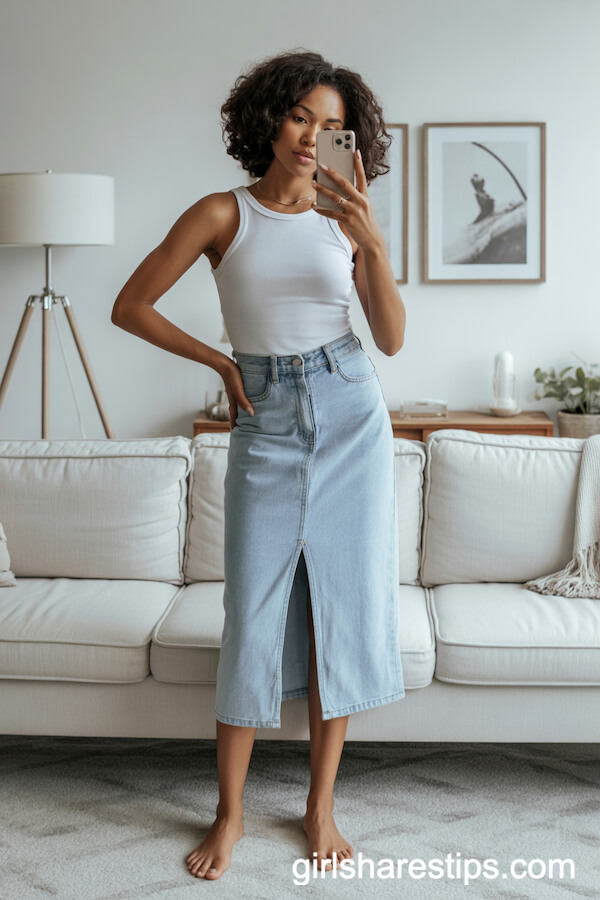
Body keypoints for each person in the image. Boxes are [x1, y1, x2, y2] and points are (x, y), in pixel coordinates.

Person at [111, 48, 407, 881]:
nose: (315, 137)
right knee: (252, 615)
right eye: (302, 116)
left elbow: (390, 337)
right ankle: (230, 812)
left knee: (340, 614)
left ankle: (320, 807)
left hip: (350, 407)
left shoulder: (346, 213)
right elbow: (129, 305)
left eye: (334, 126)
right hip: (266, 417)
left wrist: (372, 241)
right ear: (270, 118)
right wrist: (220, 362)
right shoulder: (220, 214)